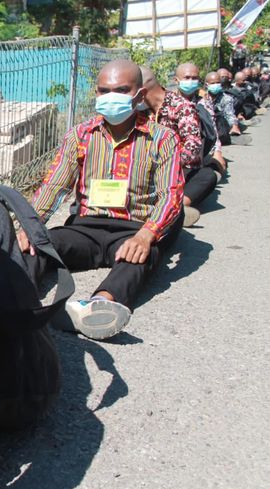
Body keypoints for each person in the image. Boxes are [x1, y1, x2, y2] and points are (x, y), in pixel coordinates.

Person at [18, 60, 184, 340]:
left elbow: (172, 194)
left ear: (140, 95)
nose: (111, 97)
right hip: (84, 227)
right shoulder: (81, 135)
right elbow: (54, 185)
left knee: (142, 258)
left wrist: (146, 236)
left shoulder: (162, 139)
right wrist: (30, 226)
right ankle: (15, 295)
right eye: (104, 91)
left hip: (133, 228)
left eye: (121, 90)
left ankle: (100, 305)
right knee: (38, 245)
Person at [139, 66, 203, 226]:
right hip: (146, 171)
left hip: (178, 170)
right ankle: (170, 210)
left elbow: (192, 148)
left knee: (207, 176)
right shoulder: (140, 111)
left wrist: (162, 167)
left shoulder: (182, 107)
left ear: (142, 90)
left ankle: (175, 209)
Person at [206, 71, 247, 144]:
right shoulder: (201, 97)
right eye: (212, 83)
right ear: (207, 84)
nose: (215, 85)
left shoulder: (226, 98)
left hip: (220, 123)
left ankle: (230, 137)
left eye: (217, 83)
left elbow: (229, 113)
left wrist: (234, 125)